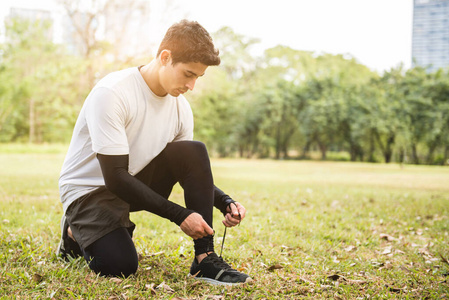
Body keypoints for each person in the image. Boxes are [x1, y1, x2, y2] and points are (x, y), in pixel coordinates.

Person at [57, 19, 252, 285]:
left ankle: (204, 259)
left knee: (193, 150)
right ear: (165, 57)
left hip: (133, 181)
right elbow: (114, 176)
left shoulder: (180, 108)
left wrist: (225, 201)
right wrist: (180, 215)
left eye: (198, 77)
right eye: (188, 74)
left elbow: (190, 170)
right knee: (120, 266)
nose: (192, 86)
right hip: (90, 190)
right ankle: (72, 232)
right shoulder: (112, 92)